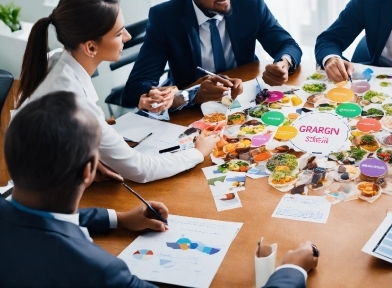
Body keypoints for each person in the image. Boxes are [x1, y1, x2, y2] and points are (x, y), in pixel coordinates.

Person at [0, 91, 318, 287]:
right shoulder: (103, 273)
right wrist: (291, 271)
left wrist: (118, 219)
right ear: (89, 171)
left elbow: (39, 220)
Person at [16, 0, 219, 183]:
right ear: (91, 47)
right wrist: (197, 153)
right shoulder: (75, 103)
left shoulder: (56, 59)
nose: (128, 37)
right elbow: (141, 170)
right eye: (118, 32)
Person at [121, 0, 303, 112]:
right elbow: (135, 88)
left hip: (246, 99)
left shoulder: (250, 3)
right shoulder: (165, 16)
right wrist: (191, 95)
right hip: (193, 112)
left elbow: (287, 45)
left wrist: (283, 63)